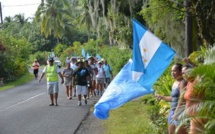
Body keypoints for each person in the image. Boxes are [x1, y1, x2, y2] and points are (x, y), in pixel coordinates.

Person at [155, 63, 187, 134]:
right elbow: (173, 98)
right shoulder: (175, 83)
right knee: (171, 132)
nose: (172, 73)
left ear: (180, 71)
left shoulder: (183, 82)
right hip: (172, 111)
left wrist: (177, 112)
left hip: (180, 112)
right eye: (171, 71)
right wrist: (162, 97)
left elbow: (182, 99)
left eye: (174, 71)